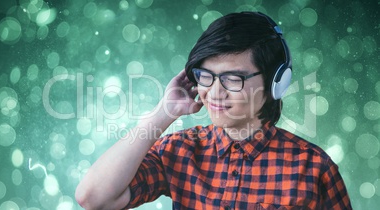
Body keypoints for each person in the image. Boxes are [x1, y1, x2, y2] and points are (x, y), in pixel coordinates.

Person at [75, 12, 352, 210]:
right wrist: (164, 112)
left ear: (275, 83)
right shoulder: (181, 150)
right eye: (205, 75)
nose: (215, 92)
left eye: (233, 78)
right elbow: (94, 198)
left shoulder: (313, 168)